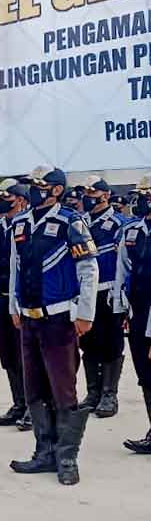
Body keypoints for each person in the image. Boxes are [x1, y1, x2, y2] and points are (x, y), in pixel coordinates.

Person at [9, 165, 98, 486]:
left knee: (64, 390)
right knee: (34, 388)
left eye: (39, 185)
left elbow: (88, 267)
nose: (34, 191)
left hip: (59, 317)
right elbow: (16, 268)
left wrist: (85, 313)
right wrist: (14, 306)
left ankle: (67, 458)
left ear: (56, 189)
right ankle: (44, 452)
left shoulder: (69, 222)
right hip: (29, 319)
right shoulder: (20, 223)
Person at [74, 176, 124, 419]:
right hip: (86, 292)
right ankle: (93, 392)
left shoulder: (118, 223)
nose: (87, 197)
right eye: (85, 193)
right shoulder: (80, 222)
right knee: (89, 343)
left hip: (109, 290)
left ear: (105, 195)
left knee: (111, 342)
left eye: (92, 193)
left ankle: (109, 393)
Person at [0, 179, 32, 430]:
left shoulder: (29, 225)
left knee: (27, 356)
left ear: (21, 200)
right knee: (9, 355)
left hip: (23, 302)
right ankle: (18, 403)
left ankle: (33, 409)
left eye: (5, 197)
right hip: (2, 296)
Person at [114, 174, 151, 454]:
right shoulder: (132, 231)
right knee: (145, 373)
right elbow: (122, 271)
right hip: (138, 311)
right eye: (140, 195)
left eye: (147, 194)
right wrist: (120, 307)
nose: (142, 200)